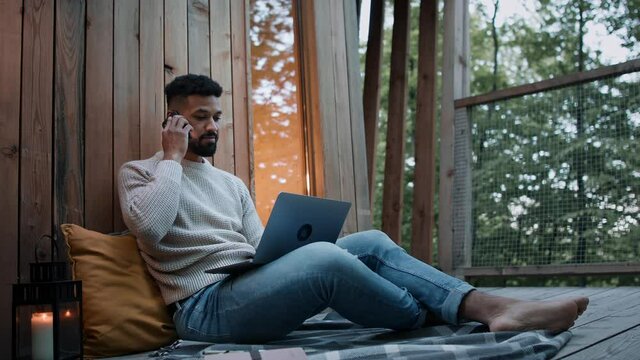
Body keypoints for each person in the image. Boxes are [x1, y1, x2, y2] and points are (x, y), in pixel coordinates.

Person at [118, 74, 589, 344]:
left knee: (369, 241)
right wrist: (173, 157)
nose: (212, 126)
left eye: (216, 116)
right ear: (174, 121)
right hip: (204, 310)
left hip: (247, 287)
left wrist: (285, 249)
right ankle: (429, 313)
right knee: (326, 259)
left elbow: (259, 250)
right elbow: (151, 228)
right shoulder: (142, 172)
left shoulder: (231, 183)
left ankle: (489, 307)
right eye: (200, 117)